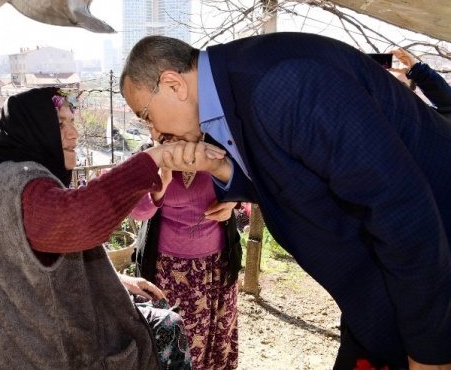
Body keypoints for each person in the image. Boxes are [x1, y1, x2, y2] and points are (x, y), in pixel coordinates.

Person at [120, 33, 451, 370]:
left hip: (432, 282)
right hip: (387, 294)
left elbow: (400, 207)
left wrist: (431, 352)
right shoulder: (238, 89)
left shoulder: (280, 83)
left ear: (174, 84)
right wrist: (219, 168)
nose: (153, 134)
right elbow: (290, 177)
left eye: (146, 116)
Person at [0, 87, 219, 369]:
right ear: (34, 127)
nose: (74, 134)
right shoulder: (23, 185)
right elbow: (80, 220)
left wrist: (120, 280)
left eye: (72, 122)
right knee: (167, 328)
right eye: (60, 124)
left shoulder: (0, 177)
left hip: (30, 343)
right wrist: (155, 158)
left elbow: (35, 266)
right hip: (51, 355)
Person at [130, 162, 241, 370]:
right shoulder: (152, 157)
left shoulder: (219, 152)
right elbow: (137, 211)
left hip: (216, 268)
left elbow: (248, 181)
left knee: (215, 342)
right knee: (175, 342)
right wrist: (160, 185)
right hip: (168, 271)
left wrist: (234, 201)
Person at [389, 48, 451, 119]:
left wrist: (417, 71)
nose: (392, 88)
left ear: (413, 93)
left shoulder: (423, 118)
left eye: (399, 85)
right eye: (387, 82)